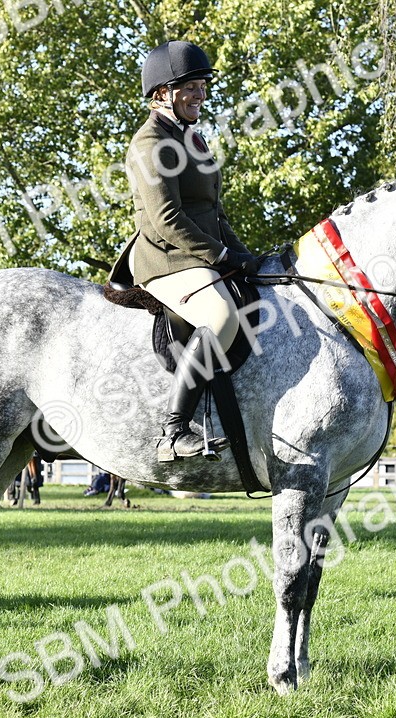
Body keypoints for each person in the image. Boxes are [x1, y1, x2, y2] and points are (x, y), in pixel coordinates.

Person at [123, 40, 257, 462]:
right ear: (163, 93)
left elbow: (214, 212)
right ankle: (173, 432)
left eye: (203, 86)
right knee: (221, 316)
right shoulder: (150, 143)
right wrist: (221, 257)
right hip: (166, 258)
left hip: (199, 253)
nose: (201, 94)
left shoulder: (192, 139)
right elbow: (166, 218)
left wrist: (246, 256)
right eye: (191, 87)